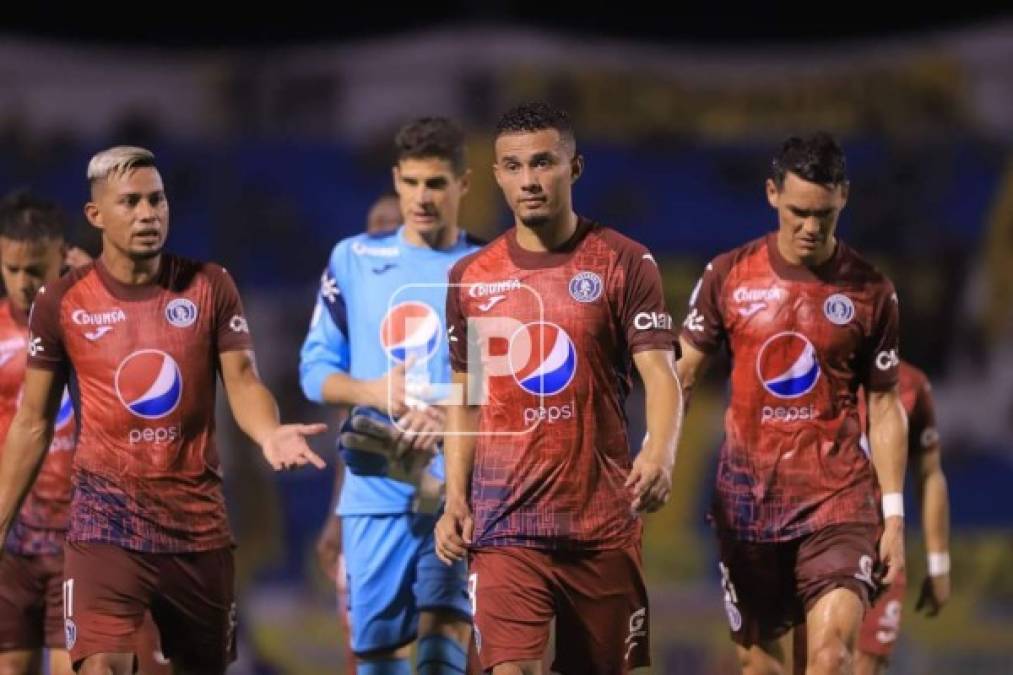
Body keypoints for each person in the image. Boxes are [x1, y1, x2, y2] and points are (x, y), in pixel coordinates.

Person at [0, 146, 326, 675]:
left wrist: (268, 433)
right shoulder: (61, 302)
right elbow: (33, 421)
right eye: (130, 202)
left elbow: (242, 380)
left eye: (157, 199)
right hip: (102, 528)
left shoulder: (209, 286)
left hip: (195, 531)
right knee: (98, 664)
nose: (148, 213)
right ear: (96, 216)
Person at [435, 101, 683, 675]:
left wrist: (662, 450)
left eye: (542, 163)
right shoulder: (471, 278)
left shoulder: (624, 263)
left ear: (574, 168)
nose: (528, 180)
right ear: (496, 174)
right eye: (513, 166)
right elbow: (466, 391)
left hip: (600, 521)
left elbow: (659, 372)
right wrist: (453, 495)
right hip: (504, 524)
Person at [676, 132, 908, 674]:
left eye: (823, 215)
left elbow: (884, 402)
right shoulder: (727, 275)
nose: (810, 227)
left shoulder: (872, 292)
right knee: (760, 665)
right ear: (772, 194)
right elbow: (680, 373)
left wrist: (893, 515)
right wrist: (649, 454)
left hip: (839, 502)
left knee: (831, 656)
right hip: (750, 506)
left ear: (844, 198)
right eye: (799, 212)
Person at [300, 118, 480, 675]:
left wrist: (449, 420)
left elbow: (497, 379)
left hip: (456, 489)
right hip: (374, 491)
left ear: (463, 184)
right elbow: (314, 371)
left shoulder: (487, 269)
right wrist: (373, 390)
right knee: (376, 658)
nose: (422, 198)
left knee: (444, 642)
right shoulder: (352, 260)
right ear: (396, 180)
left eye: (436, 184)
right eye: (411, 183)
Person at [0, 191, 82, 675]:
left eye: (36, 269)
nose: (23, 283)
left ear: (62, 256)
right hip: (13, 540)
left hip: (84, 540)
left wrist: (97, 279)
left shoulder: (94, 320)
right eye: (11, 269)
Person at [855, 360, 951, 675]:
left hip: (882, 548)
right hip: (822, 542)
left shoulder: (912, 384)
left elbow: (930, 475)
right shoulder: (821, 373)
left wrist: (938, 565)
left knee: (867, 663)